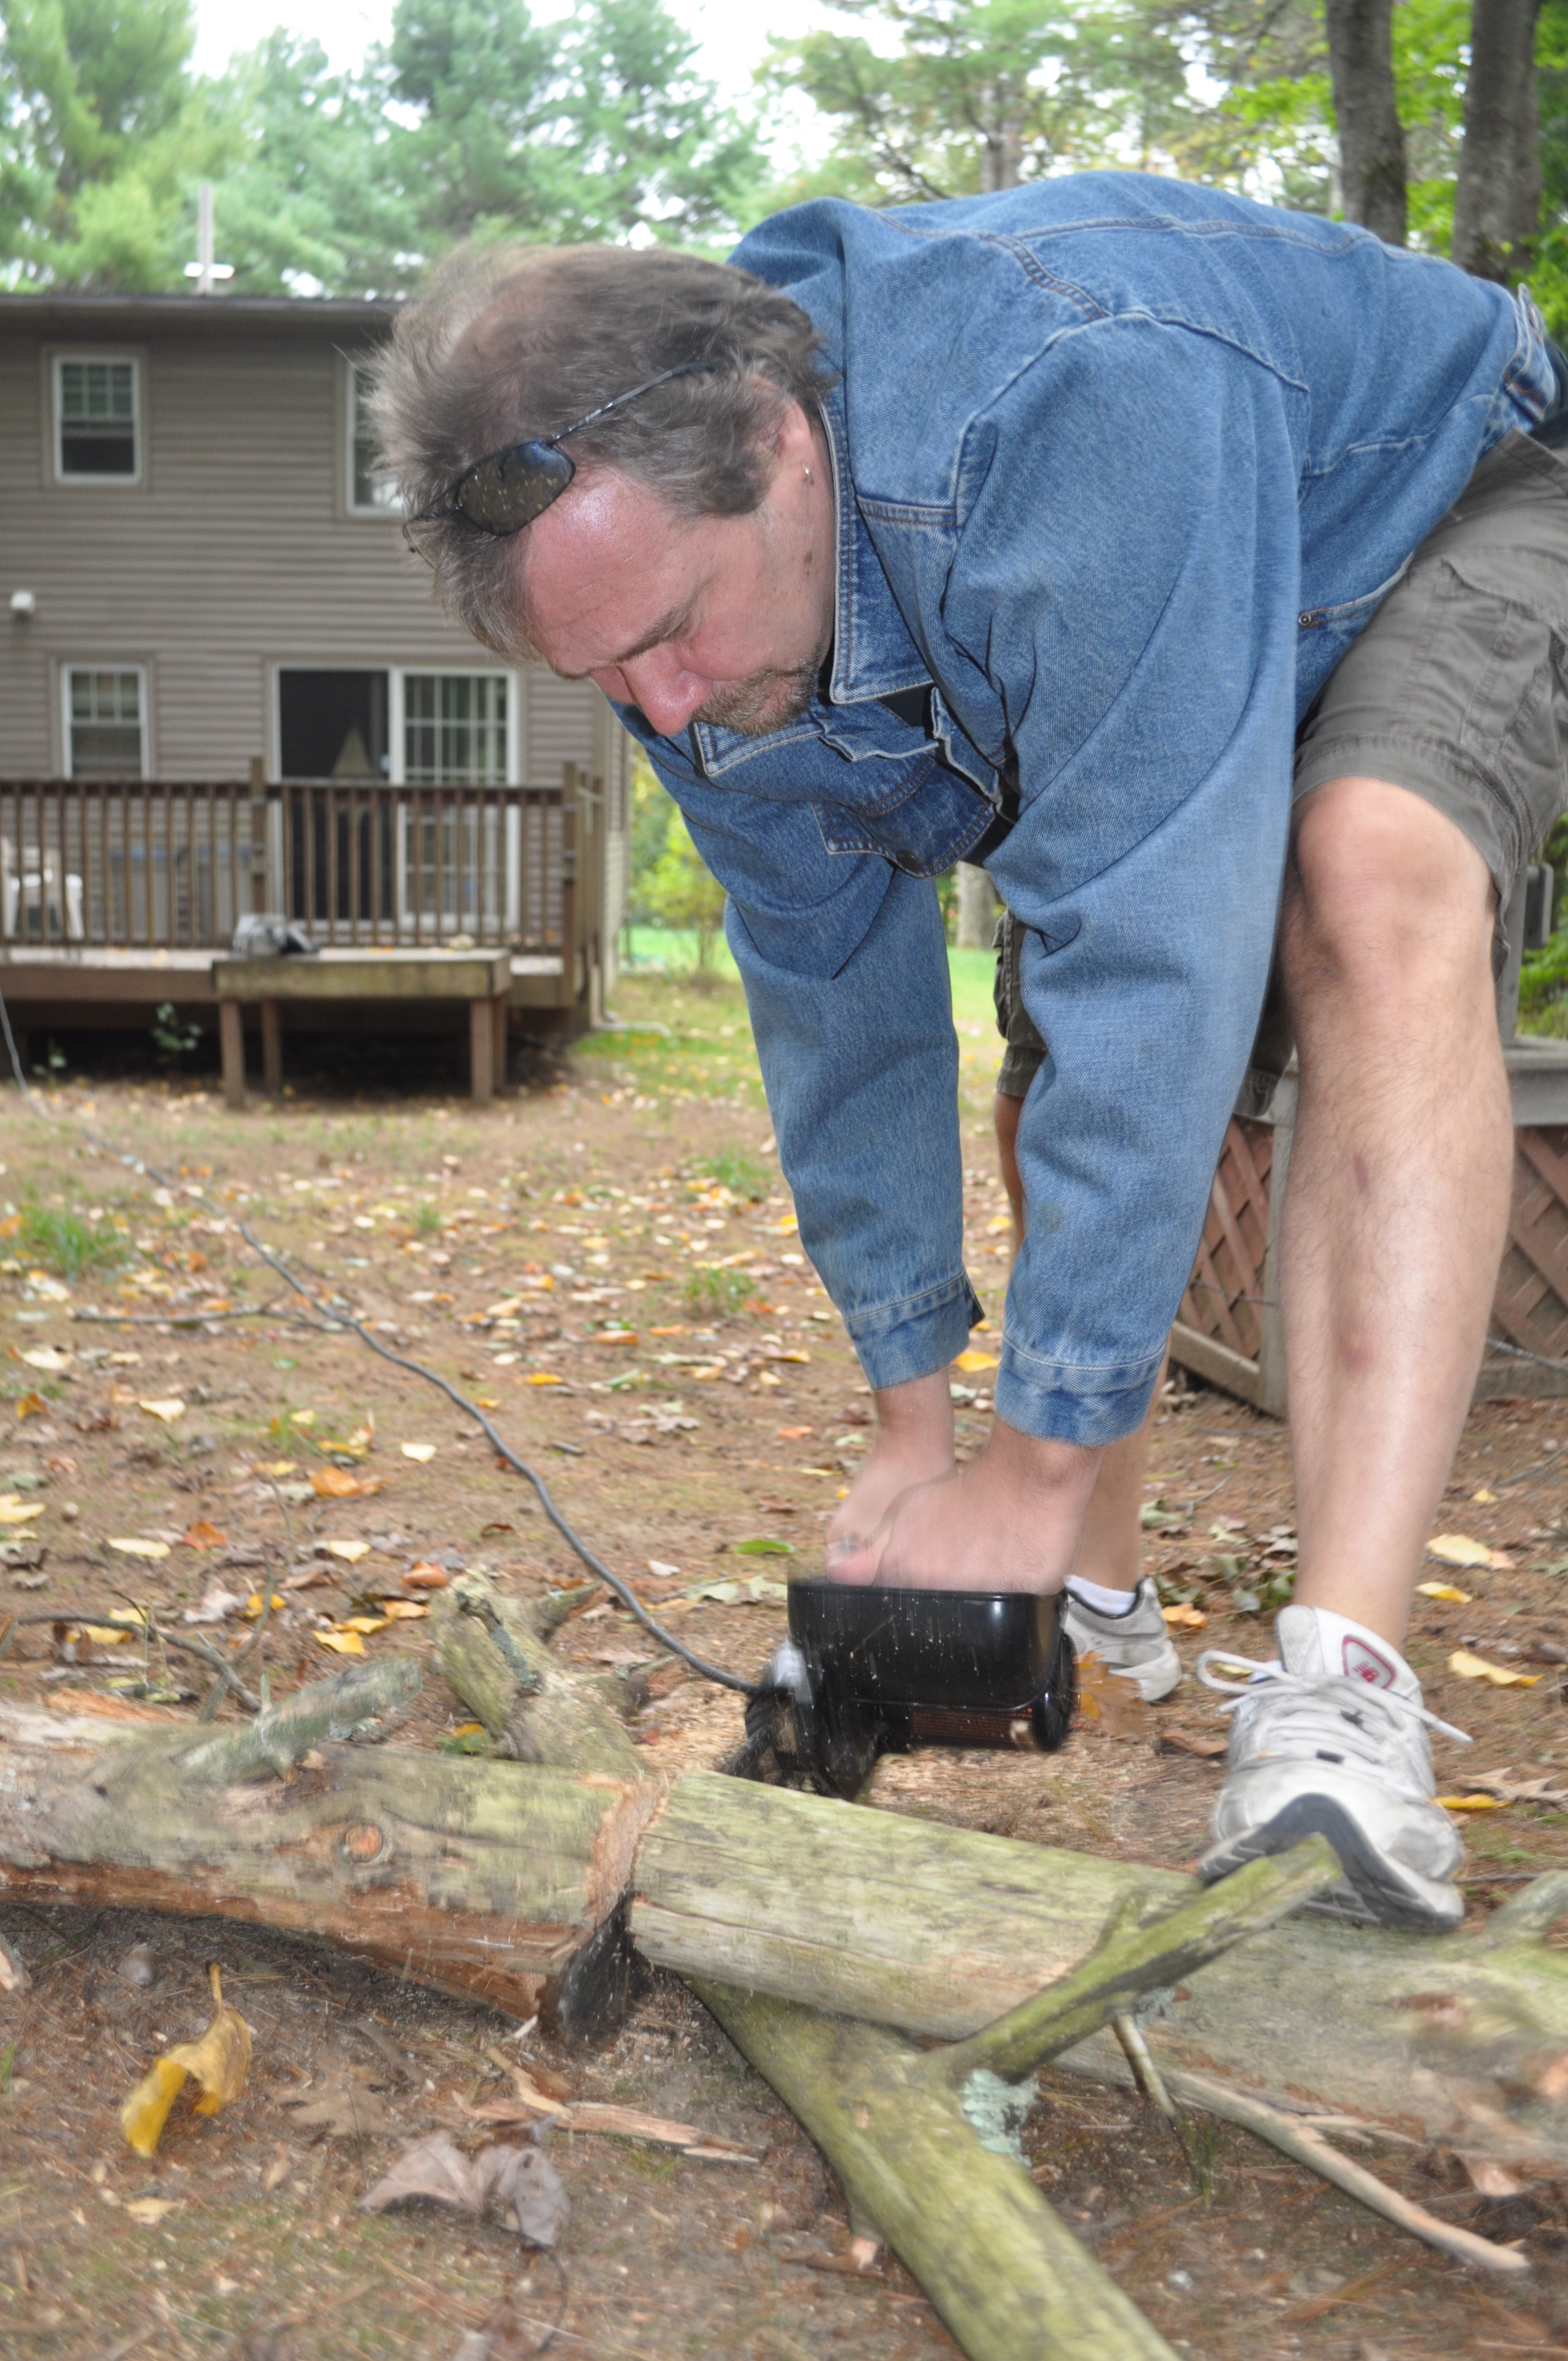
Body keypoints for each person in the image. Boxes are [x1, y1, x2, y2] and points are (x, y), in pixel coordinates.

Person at [374, 173, 1568, 1932]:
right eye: (602, 681)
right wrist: (914, 1425)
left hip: (1427, 515)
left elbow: (1153, 966)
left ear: (783, 448)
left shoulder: (1067, 399)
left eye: (667, 636)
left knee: (1366, 876)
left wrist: (1037, 1447)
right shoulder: (684, 656)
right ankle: (1077, 1581)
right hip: (1148, 603)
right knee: (1047, 1062)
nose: (663, 717)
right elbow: (836, 1007)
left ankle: (1345, 1687)